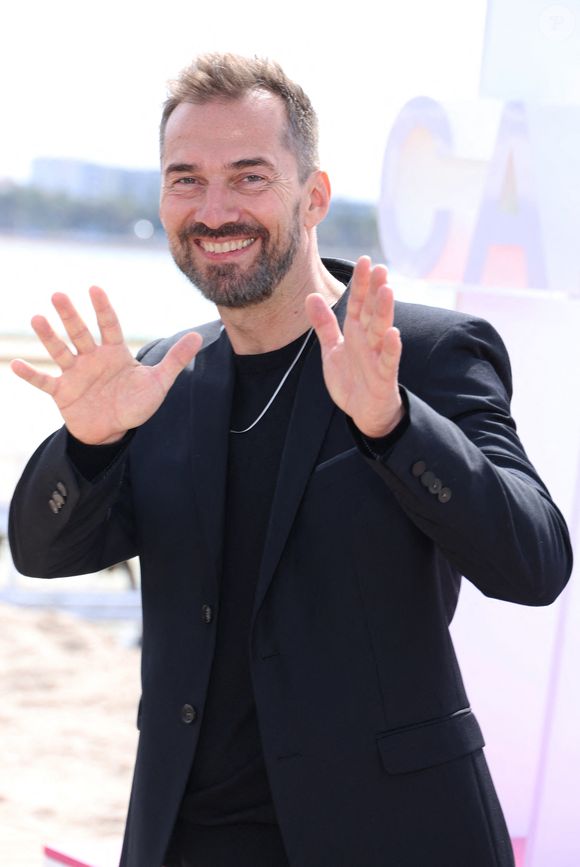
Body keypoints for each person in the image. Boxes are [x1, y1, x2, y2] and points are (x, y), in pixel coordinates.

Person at [8, 53, 571, 867]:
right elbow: (42, 551)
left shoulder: (423, 354)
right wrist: (89, 445)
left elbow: (535, 562)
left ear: (313, 197)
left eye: (248, 176)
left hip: (393, 837)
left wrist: (393, 423)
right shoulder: (166, 373)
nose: (214, 208)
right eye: (186, 179)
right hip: (183, 842)